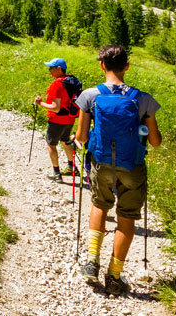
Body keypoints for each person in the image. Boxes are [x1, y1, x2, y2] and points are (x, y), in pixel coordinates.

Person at [74, 44, 162, 296]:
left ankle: (92, 260)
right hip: (131, 166)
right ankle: (113, 275)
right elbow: (155, 142)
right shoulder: (142, 99)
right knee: (126, 217)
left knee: (100, 205)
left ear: (102, 65)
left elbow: (81, 136)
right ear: (126, 66)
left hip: (101, 163)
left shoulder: (90, 96)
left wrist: (83, 138)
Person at [34, 58, 83, 183]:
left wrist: (40, 103)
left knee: (51, 144)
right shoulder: (72, 81)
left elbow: (55, 108)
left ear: (59, 69)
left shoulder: (57, 84)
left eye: (51, 68)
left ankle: (56, 173)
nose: (49, 70)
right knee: (65, 140)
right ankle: (72, 168)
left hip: (57, 120)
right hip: (70, 118)